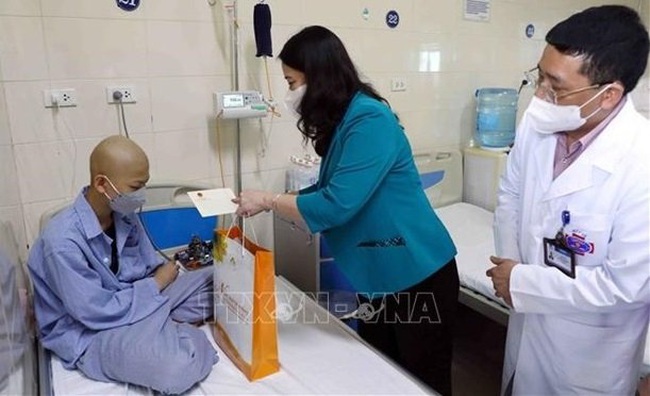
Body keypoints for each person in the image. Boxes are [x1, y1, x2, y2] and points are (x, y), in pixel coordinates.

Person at [233, 25, 459, 395]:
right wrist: (270, 201)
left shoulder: (370, 120)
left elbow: (336, 204)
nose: (290, 94)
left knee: (422, 380)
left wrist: (270, 200)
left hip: (417, 273)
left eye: (291, 83)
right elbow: (328, 189)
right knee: (384, 373)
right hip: (379, 276)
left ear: (317, 75)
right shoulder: (345, 122)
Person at [487, 5, 650, 395]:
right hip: (525, 333)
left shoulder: (641, 161)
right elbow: (510, 195)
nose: (540, 95)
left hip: (585, 361)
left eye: (555, 87)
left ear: (609, 95)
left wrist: (524, 282)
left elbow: (627, 286)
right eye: (540, 77)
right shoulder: (541, 119)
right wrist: (511, 273)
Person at [27, 135, 218, 394]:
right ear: (102, 183)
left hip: (137, 301)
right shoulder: (61, 242)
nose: (142, 196)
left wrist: (159, 280)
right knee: (176, 370)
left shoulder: (123, 216)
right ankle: (169, 332)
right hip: (92, 331)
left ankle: (158, 327)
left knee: (217, 280)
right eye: (136, 187)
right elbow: (96, 312)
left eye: (145, 186)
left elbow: (148, 268)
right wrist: (159, 282)